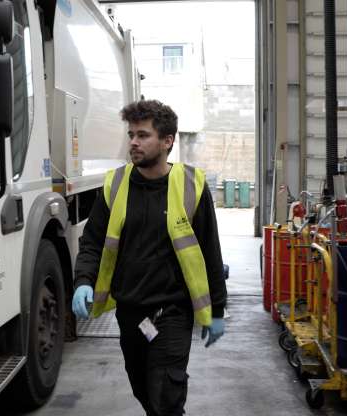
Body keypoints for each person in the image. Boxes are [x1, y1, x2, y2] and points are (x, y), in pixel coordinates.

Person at [72, 99, 227, 415]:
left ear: (167, 141)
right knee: (143, 389)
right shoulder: (115, 185)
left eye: (142, 135)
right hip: (131, 313)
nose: (133, 142)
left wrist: (217, 309)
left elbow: (210, 250)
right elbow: (93, 242)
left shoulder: (191, 185)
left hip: (172, 309)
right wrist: (83, 281)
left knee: (166, 396)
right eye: (131, 134)